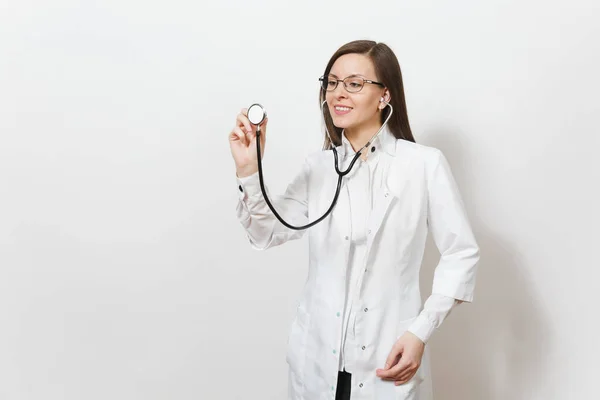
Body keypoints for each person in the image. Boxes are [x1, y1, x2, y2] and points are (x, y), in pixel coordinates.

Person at [228, 40, 480, 400]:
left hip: (387, 359)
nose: (337, 94)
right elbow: (266, 232)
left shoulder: (423, 165)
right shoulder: (318, 168)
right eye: (331, 83)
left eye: (354, 83)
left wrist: (419, 332)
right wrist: (249, 170)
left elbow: (462, 253)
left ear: (384, 95)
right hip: (315, 362)